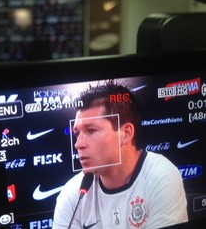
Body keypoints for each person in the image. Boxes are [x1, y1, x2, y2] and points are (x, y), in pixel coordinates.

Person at [53, 80, 188, 228]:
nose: (78, 144)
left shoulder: (162, 177)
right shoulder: (72, 194)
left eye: (91, 131)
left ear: (126, 133)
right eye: (77, 133)